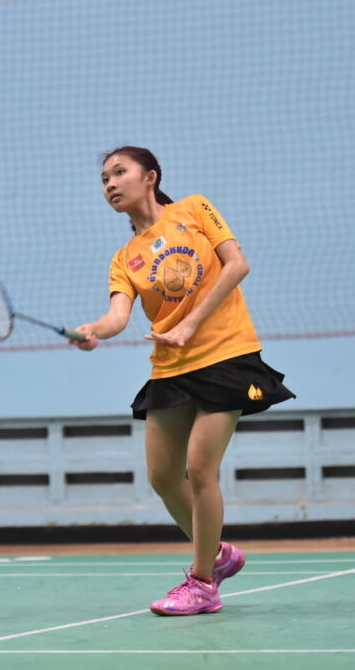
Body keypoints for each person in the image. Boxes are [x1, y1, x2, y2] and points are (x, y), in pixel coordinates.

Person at [72, 146, 296, 615]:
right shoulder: (125, 258)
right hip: (171, 368)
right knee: (161, 475)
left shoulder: (194, 209)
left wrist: (189, 324)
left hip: (226, 354)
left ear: (150, 177)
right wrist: (95, 330)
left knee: (200, 469)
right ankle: (217, 553)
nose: (110, 184)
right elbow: (118, 316)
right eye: (104, 179)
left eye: (119, 172)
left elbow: (237, 265)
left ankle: (202, 583)